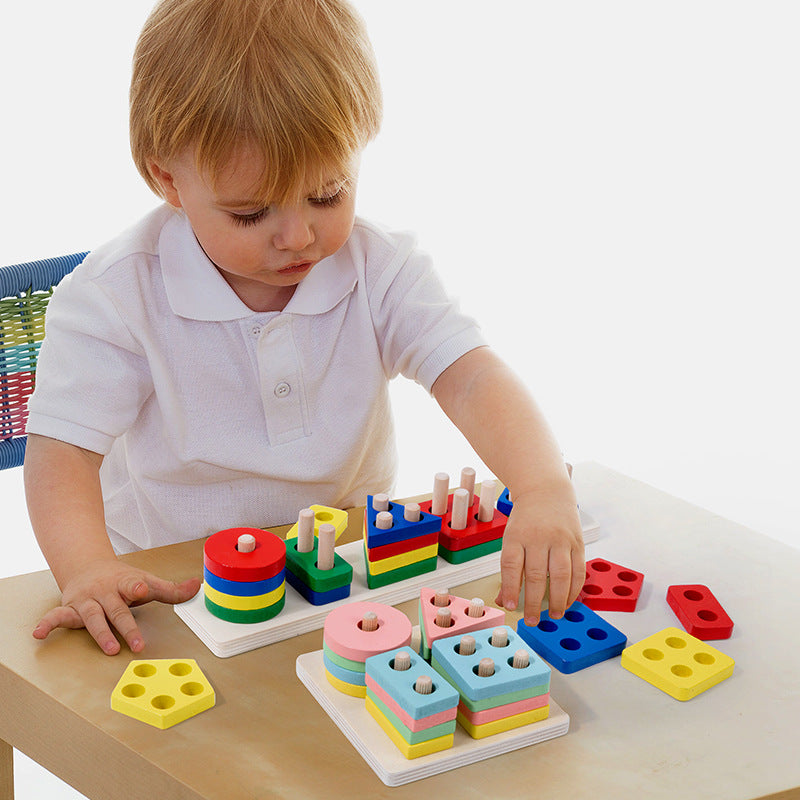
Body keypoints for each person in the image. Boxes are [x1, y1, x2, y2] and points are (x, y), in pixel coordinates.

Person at [24, 0, 584, 656]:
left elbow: (470, 376)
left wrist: (542, 487)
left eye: (327, 194)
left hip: (341, 572)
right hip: (177, 589)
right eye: (250, 212)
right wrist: (88, 569)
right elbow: (62, 453)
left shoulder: (379, 266)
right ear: (168, 180)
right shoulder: (114, 297)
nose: (298, 237)